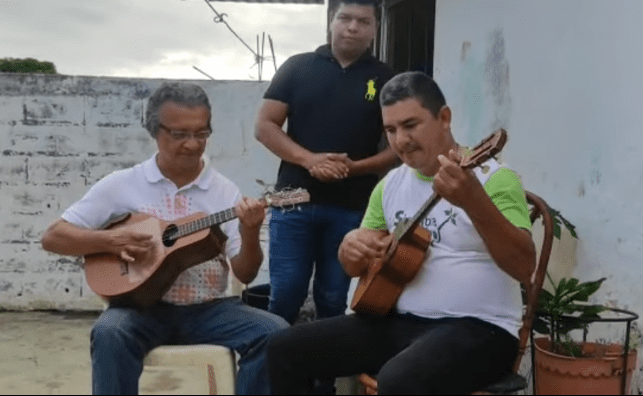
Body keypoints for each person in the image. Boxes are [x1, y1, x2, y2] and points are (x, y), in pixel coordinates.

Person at [266, 71, 537, 394]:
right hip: (398, 322)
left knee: (398, 380)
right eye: (391, 130)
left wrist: (473, 200)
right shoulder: (390, 185)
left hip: (482, 329)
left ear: (445, 118)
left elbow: (523, 266)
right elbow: (355, 267)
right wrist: (349, 247)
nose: (401, 141)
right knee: (283, 348)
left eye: (411, 125)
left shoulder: (494, 179)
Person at [40, 82, 289, 395]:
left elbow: (245, 273)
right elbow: (53, 237)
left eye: (201, 133)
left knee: (274, 332)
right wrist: (111, 242)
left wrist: (249, 231)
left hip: (208, 310)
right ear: (154, 130)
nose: (192, 144)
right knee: (109, 331)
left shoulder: (224, 192)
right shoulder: (123, 184)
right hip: (140, 308)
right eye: (179, 134)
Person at [255, 0, 398, 324]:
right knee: (285, 294)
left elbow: (398, 148)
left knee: (335, 298)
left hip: (352, 207)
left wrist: (352, 168)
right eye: (345, 18)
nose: (352, 27)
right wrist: (310, 161)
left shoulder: (386, 78)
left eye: (363, 21)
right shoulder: (297, 67)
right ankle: (276, 372)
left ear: (374, 30)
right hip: (291, 200)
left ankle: (325, 376)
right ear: (332, 22)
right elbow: (264, 126)